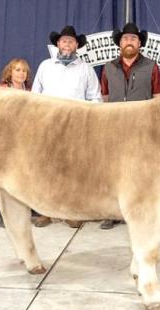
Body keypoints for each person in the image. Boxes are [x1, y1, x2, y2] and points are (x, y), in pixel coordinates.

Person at [31, 25, 102, 228]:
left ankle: (73, 211)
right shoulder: (45, 66)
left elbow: (95, 98)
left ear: (77, 45)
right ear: (58, 44)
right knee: (45, 169)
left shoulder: (86, 69)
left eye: (71, 41)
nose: (67, 44)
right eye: (64, 41)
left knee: (74, 170)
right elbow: (35, 95)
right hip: (47, 125)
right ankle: (45, 211)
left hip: (76, 127)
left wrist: (88, 122)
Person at [98, 22, 160, 229]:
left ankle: (145, 212)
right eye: (125, 38)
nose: (129, 41)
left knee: (144, 171)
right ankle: (112, 212)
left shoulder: (151, 66)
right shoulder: (109, 67)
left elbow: (159, 97)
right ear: (120, 43)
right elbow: (105, 96)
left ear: (139, 44)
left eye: (133, 39)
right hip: (115, 126)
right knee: (113, 170)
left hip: (142, 127)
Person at [0, 58, 33, 228]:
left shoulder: (30, 91)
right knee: (1, 175)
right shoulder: (1, 90)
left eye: (24, 71)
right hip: (5, 138)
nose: (21, 73)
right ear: (10, 72)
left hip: (23, 139)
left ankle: (20, 210)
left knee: (20, 174)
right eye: (17, 70)